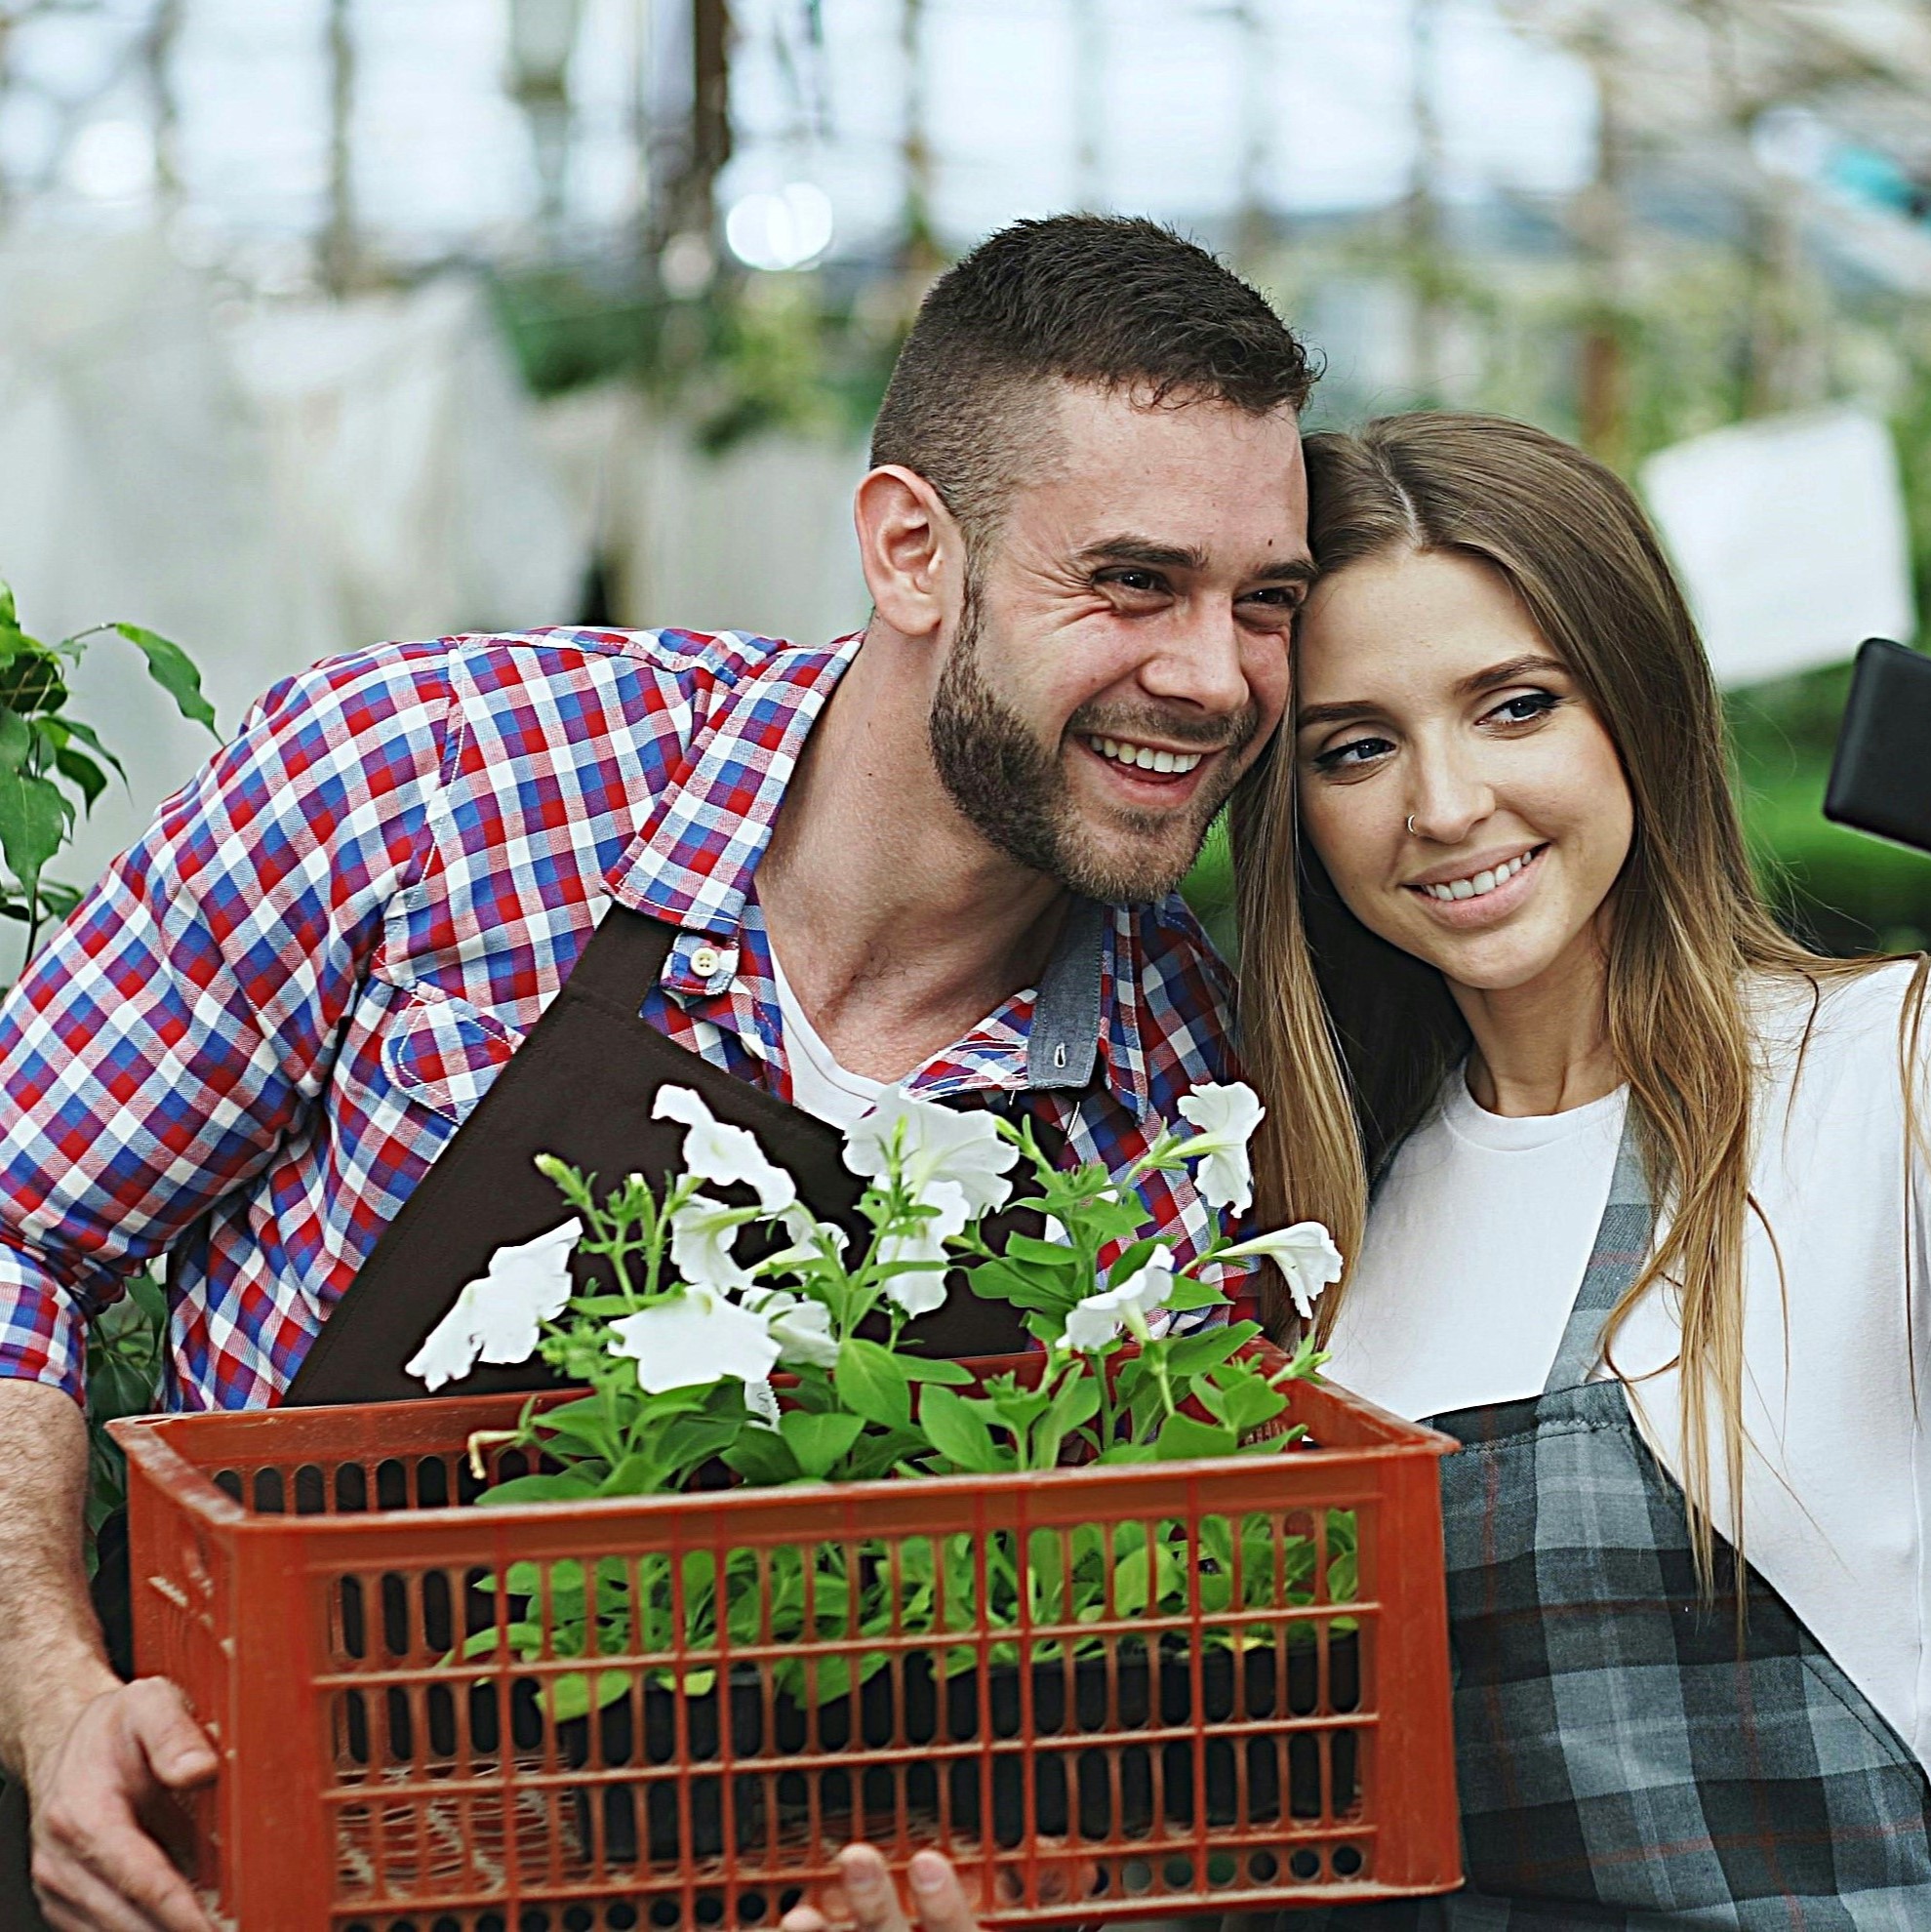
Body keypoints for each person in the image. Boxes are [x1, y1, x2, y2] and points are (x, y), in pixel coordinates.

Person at [0, 213, 1318, 1932]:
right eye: (1133, 582)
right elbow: (17, 1225)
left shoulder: (1179, 1095)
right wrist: (56, 1702)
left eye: (1266, 603)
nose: (1214, 677)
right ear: (911, 550)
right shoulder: (429, 787)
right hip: (220, 1869)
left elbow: (1116, 1696)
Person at [1226, 411, 1931, 1927]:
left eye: (1515, 706)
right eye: (1356, 746)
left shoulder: (1898, 1065)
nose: (1447, 803)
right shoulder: (1300, 1217)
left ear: (1641, 708)